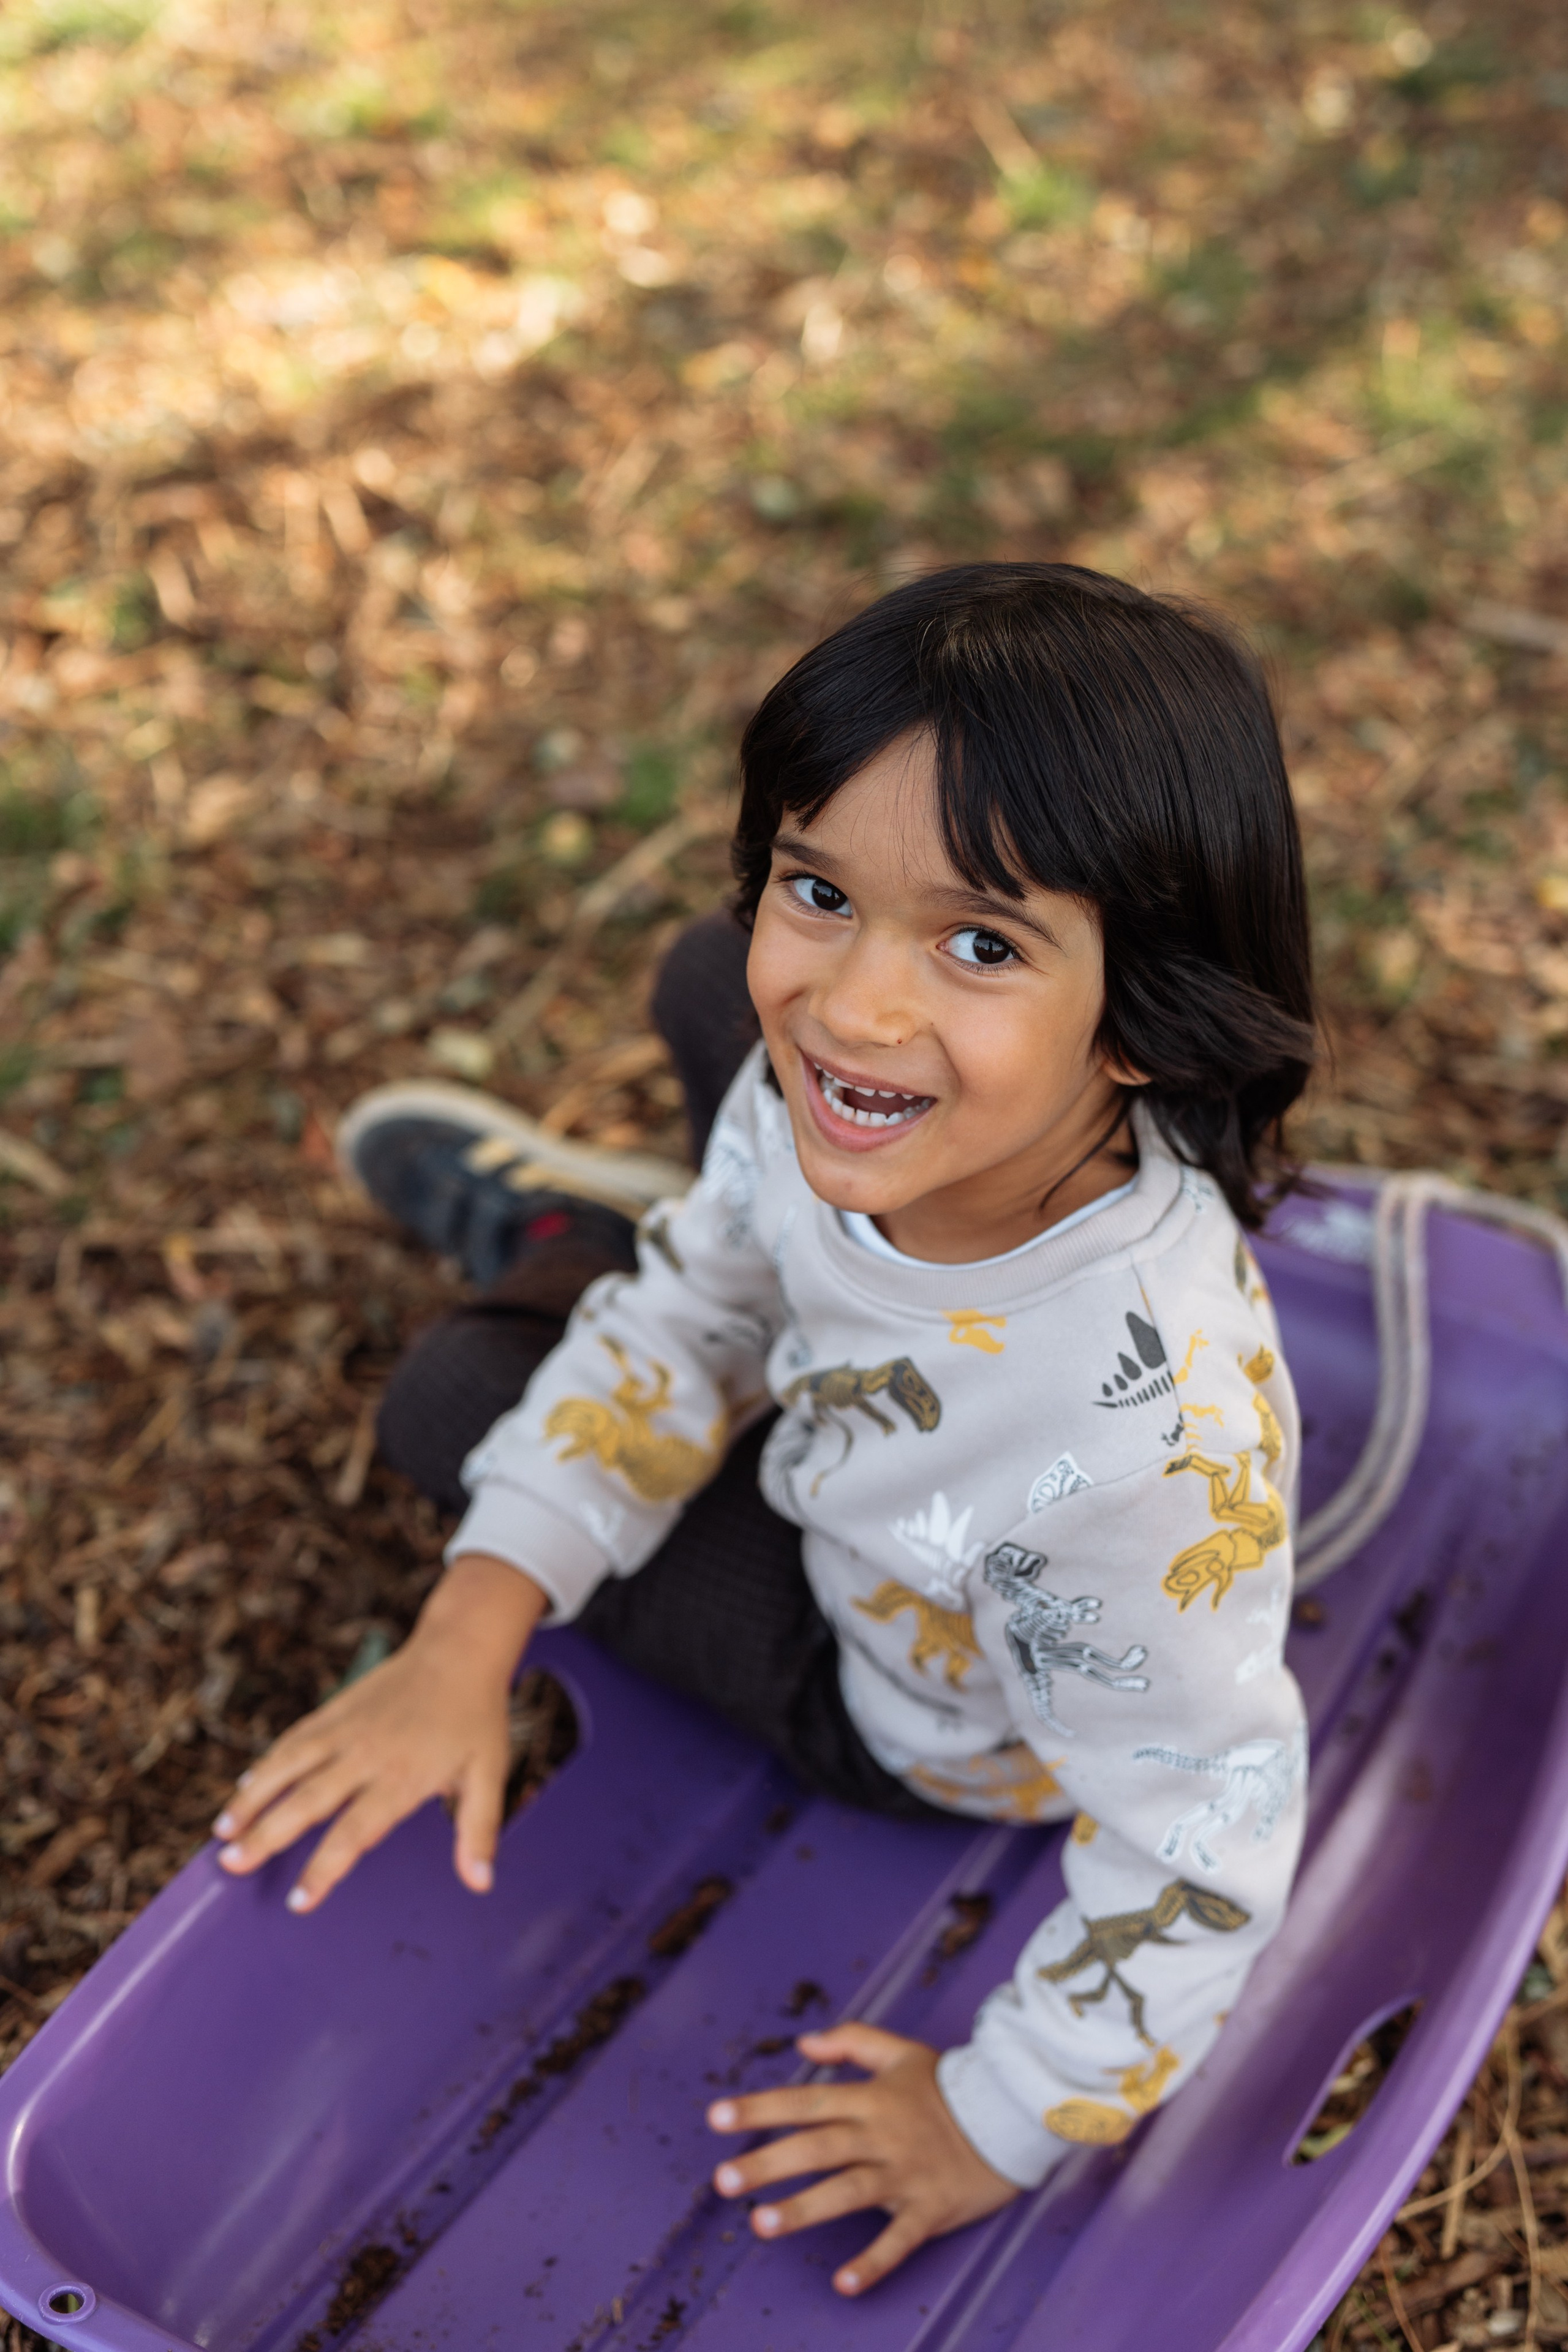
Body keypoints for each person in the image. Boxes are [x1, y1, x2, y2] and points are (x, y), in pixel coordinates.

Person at [213, 563, 1317, 2296]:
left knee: (451, 1398)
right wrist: (463, 1636)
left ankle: (557, 1244)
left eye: (981, 940)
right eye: (815, 884)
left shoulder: (1142, 1463)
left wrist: (1000, 2111)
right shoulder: (848, 1070)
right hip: (850, 1392)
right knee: (713, 996)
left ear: (1147, 1020)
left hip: (900, 1687)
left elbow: (1209, 1833)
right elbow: (693, 1318)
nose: (861, 1003)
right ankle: (607, 1227)